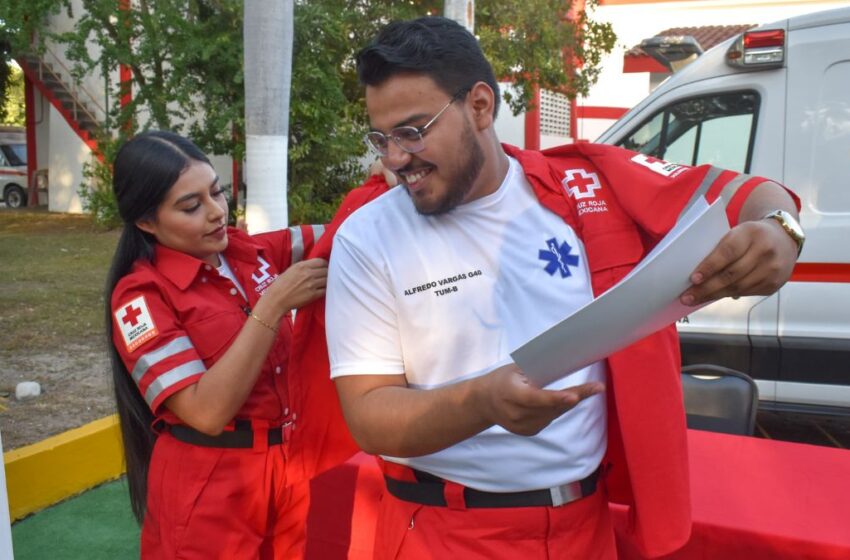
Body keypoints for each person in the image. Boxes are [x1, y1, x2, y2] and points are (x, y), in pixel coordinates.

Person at [324, 17, 802, 559]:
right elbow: (368, 416)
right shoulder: (368, 236)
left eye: (412, 132)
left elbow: (746, 194)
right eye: (381, 137)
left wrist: (781, 229)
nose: (393, 158)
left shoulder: (587, 185)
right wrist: (483, 401)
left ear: (480, 106)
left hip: (585, 528)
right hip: (441, 532)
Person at [106, 130, 332, 559]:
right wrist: (276, 303)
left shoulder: (248, 251)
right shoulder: (139, 300)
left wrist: (383, 182)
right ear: (146, 222)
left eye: (218, 193)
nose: (216, 214)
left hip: (287, 473)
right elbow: (205, 412)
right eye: (191, 206)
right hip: (212, 486)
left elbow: (347, 232)